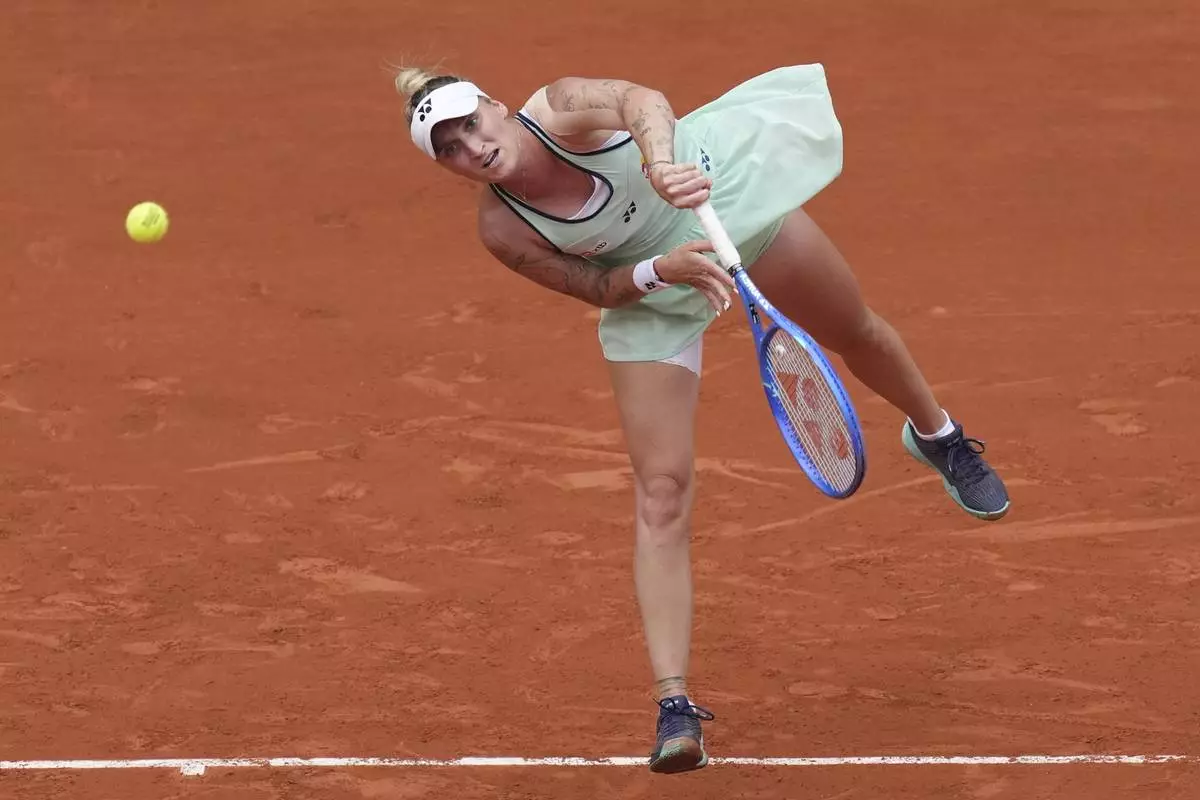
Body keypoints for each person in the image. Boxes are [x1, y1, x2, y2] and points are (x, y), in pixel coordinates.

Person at [392, 61, 1011, 775]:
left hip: (725, 207)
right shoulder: (502, 228)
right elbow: (595, 285)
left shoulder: (559, 107)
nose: (472, 147)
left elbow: (640, 100)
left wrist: (659, 163)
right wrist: (660, 270)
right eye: (450, 148)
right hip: (656, 285)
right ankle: (675, 705)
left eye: (472, 125)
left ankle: (939, 437)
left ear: (497, 107)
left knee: (856, 332)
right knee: (661, 493)